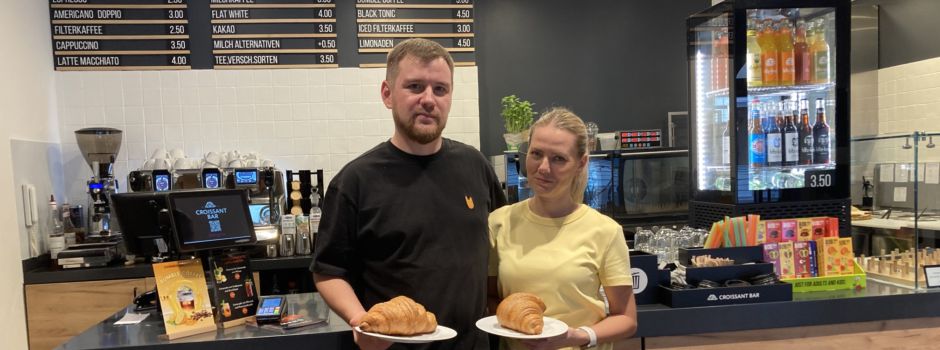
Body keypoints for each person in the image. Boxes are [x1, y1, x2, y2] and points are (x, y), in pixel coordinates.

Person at [311, 38, 507, 350]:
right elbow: (328, 271)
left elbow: (499, 254)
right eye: (415, 87)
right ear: (387, 94)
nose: (428, 99)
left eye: (440, 89)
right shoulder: (355, 181)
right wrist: (359, 319)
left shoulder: (475, 165)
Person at [487, 107, 637, 350]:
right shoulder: (499, 222)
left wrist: (578, 336)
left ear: (581, 163)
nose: (543, 168)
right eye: (536, 154)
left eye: (558, 158)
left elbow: (626, 319)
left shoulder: (605, 231)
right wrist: (516, 326)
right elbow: (490, 297)